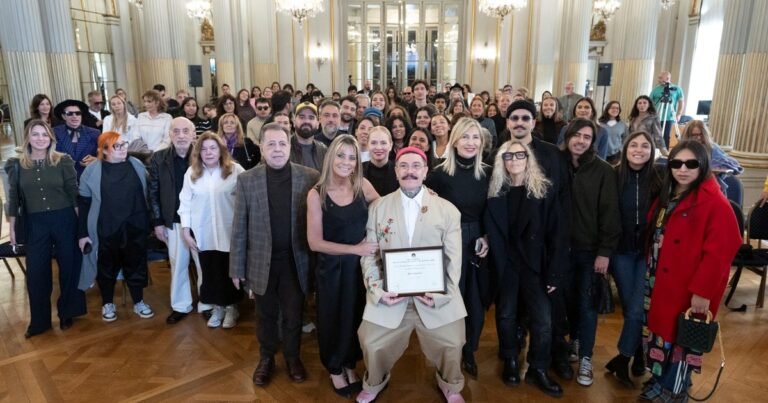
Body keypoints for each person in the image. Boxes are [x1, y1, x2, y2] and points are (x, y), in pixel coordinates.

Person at [355, 147, 467, 403]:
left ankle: (450, 384)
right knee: (371, 342)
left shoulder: (448, 210)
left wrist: (443, 295)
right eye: (403, 166)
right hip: (391, 296)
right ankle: (374, 381)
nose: (410, 171)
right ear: (396, 171)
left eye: (416, 166)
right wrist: (377, 291)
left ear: (425, 171)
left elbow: (453, 260)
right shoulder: (378, 208)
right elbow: (370, 255)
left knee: (453, 343)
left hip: (436, 297)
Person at [640, 140, 740, 402]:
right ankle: (661, 380)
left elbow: (720, 253)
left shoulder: (714, 201)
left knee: (681, 339)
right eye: (677, 163)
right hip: (660, 279)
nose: (682, 169)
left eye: (691, 164)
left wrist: (702, 292)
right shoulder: (670, 192)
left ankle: (675, 390)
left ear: (702, 165)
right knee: (662, 335)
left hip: (688, 286)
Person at [230, 123, 320, 386]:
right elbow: (239, 226)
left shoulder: (310, 177)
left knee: (294, 314)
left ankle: (293, 357)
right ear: (261, 148)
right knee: (265, 315)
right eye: (271, 144)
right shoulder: (247, 180)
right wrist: (236, 266)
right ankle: (266, 358)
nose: (277, 149)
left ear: (289, 146)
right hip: (261, 262)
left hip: (296, 261)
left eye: (282, 143)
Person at [484, 140, 563, 397]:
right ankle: (511, 359)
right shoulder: (495, 192)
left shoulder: (544, 191)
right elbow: (491, 228)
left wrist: (553, 272)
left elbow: (556, 235)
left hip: (535, 266)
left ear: (528, 158)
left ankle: (538, 368)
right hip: (506, 265)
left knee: (543, 321)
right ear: (502, 161)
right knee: (506, 315)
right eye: (509, 155)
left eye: (520, 154)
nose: (515, 159)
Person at [307, 135, 380, 397]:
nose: (346, 162)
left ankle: (349, 362)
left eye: (352, 157)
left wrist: (422, 194)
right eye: (341, 155)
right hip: (331, 269)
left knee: (355, 316)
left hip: (360, 268)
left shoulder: (363, 185)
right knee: (332, 318)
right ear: (330, 158)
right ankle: (335, 367)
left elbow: (386, 211)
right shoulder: (317, 194)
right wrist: (355, 249)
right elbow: (315, 242)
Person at [5, 121, 86, 337]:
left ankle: (68, 311)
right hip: (35, 223)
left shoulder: (63, 160)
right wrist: (12, 227)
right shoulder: (16, 164)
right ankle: (39, 321)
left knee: (69, 266)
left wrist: (82, 229)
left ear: (51, 138)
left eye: (44, 134)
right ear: (27, 137)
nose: (40, 138)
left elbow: (73, 192)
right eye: (35, 134)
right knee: (36, 272)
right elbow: (13, 198)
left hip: (65, 218)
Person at [424, 117, 490, 380]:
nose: (471, 143)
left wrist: (487, 235)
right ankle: (449, 352)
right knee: (451, 299)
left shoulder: (487, 171)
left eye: (476, 138)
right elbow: (426, 208)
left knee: (475, 301)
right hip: (447, 242)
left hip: (478, 243)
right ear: (455, 140)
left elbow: (493, 210)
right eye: (465, 137)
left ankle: (470, 350)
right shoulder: (439, 172)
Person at [560, 118, 621, 387]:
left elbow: (610, 216)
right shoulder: (557, 164)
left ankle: (586, 356)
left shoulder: (603, 171)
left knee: (587, 305)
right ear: (568, 136)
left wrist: (604, 252)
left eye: (587, 137)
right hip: (560, 250)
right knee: (567, 302)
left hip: (589, 251)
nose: (581, 140)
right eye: (577, 135)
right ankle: (573, 341)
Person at [605, 131, 663, 387]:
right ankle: (637, 352)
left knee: (637, 309)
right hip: (621, 251)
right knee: (632, 309)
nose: (639, 150)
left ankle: (623, 356)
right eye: (634, 145)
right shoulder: (613, 176)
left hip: (648, 252)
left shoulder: (660, 177)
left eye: (645, 146)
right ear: (626, 147)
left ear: (652, 151)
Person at [78, 132, 153, 322]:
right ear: (104, 150)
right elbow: (84, 204)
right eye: (117, 146)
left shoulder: (136, 165)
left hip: (135, 227)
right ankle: (107, 303)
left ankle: (138, 302)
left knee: (136, 265)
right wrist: (82, 233)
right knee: (106, 268)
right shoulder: (92, 171)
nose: (123, 149)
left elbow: (148, 194)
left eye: (124, 144)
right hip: (106, 228)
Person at [178, 132, 245, 329]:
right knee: (209, 271)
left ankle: (232, 307)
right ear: (198, 152)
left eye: (213, 148)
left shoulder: (235, 170)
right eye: (204, 149)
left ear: (221, 150)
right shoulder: (191, 173)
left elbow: (246, 199)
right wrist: (186, 230)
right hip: (203, 232)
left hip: (229, 231)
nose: (208, 152)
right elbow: (185, 202)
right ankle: (217, 307)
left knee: (228, 270)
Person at [149, 117, 209, 324]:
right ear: (170, 134)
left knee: (204, 264)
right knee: (178, 263)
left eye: (186, 131)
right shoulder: (158, 158)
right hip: (173, 220)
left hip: (201, 221)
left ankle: (207, 303)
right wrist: (157, 222)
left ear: (194, 134)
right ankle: (180, 305)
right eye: (176, 131)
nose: (181, 135)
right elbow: (154, 191)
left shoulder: (205, 154)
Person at [53, 99, 100, 178]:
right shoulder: (54, 133)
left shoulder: (95, 133)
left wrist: (97, 160)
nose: (74, 116)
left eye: (78, 113)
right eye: (70, 113)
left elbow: (105, 155)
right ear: (63, 116)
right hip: (62, 178)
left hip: (88, 177)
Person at [650, 71, 685, 149]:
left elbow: (681, 102)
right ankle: (655, 151)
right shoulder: (656, 89)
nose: (658, 79)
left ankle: (664, 153)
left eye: (660, 78)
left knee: (665, 135)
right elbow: (650, 102)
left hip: (669, 117)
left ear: (667, 78)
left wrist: (679, 114)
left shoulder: (677, 89)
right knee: (655, 135)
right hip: (657, 116)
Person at [290, 102, 327, 170]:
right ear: (294, 121)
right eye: (302, 117)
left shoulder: (323, 150)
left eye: (311, 117)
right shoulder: (284, 148)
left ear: (318, 124)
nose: (306, 121)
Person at [362, 126, 398, 196]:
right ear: (367, 145)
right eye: (373, 143)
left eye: (383, 143)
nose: (378, 147)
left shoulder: (399, 171)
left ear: (391, 145)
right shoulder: (358, 170)